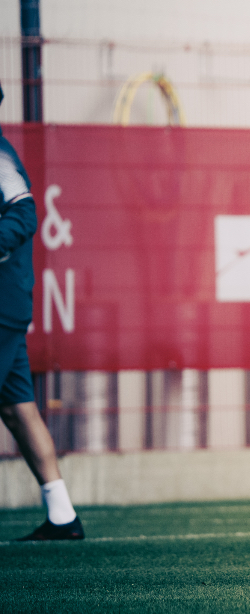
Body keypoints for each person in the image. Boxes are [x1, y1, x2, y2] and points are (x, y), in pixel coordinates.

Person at [0, 82, 84, 541]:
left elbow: (25, 213)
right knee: (18, 409)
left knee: (19, 409)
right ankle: (62, 515)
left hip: (2, 304)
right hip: (9, 304)